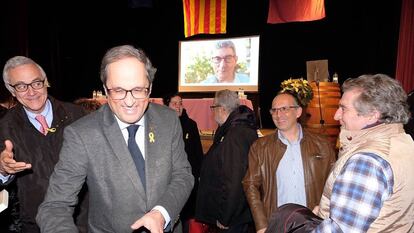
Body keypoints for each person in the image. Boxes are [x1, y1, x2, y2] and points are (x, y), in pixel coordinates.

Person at [36, 45, 194, 233]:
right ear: (105, 89)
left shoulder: (168, 120)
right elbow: (54, 206)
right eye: (118, 90)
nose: (129, 101)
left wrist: (162, 213)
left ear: (150, 88)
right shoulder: (82, 134)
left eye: (138, 89)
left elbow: (183, 175)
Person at [267, 74, 414, 232]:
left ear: (372, 114)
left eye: (343, 108)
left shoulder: (366, 162)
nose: (336, 115)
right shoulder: (404, 141)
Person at [0, 56, 87, 233]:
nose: (31, 92)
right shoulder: (4, 127)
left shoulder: (79, 116)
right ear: (12, 90)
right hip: (35, 224)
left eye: (36, 83)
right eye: (22, 86)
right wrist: (2, 170)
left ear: (46, 82)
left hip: (84, 220)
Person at [242, 92, 336, 233]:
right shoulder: (260, 147)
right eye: (274, 110)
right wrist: (261, 224)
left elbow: (334, 184)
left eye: (284, 109)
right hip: (276, 224)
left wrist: (324, 212)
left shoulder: (322, 145)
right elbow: (250, 185)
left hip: (312, 223)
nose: (278, 115)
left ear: (298, 112)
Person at [195, 89, 257, 233]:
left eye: (213, 107)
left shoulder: (234, 134)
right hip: (235, 215)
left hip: (231, 218)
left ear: (222, 109)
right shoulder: (235, 128)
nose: (213, 112)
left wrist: (225, 216)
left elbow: (234, 181)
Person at [163, 93, 204, 233]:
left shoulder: (191, 125)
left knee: (187, 221)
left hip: (187, 183)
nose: (178, 106)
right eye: (174, 103)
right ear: (166, 105)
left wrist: (196, 179)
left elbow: (198, 155)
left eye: (180, 103)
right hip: (166, 185)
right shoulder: (159, 126)